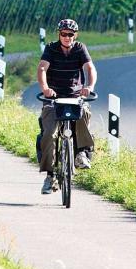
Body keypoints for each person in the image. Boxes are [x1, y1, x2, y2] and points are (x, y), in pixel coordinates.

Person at [37, 19, 97, 195]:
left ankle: (82, 153)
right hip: (53, 99)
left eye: (70, 34)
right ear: (59, 34)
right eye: (63, 34)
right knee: (49, 134)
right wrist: (45, 89)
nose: (67, 37)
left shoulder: (80, 48)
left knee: (84, 114)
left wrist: (89, 87)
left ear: (75, 35)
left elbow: (90, 68)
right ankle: (50, 175)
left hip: (75, 97)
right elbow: (42, 69)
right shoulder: (50, 48)